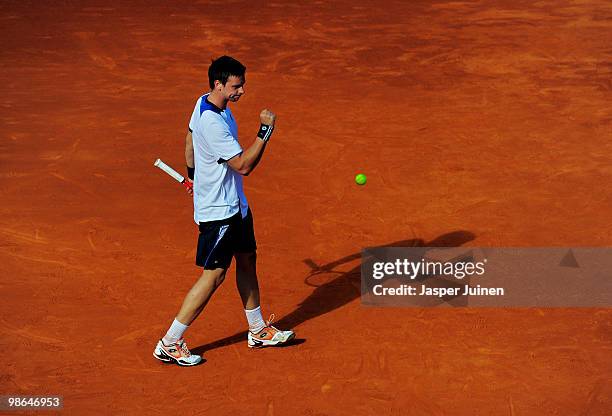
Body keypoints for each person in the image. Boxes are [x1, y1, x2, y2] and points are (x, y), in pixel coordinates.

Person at [153, 56, 294, 366]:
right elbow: (243, 165)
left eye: (242, 85)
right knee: (214, 276)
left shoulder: (204, 103)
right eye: (236, 86)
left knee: (247, 260)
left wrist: (191, 172)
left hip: (236, 207)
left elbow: (189, 139)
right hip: (219, 214)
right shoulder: (213, 122)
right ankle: (170, 342)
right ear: (218, 84)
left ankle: (257, 330)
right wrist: (265, 132)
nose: (241, 91)